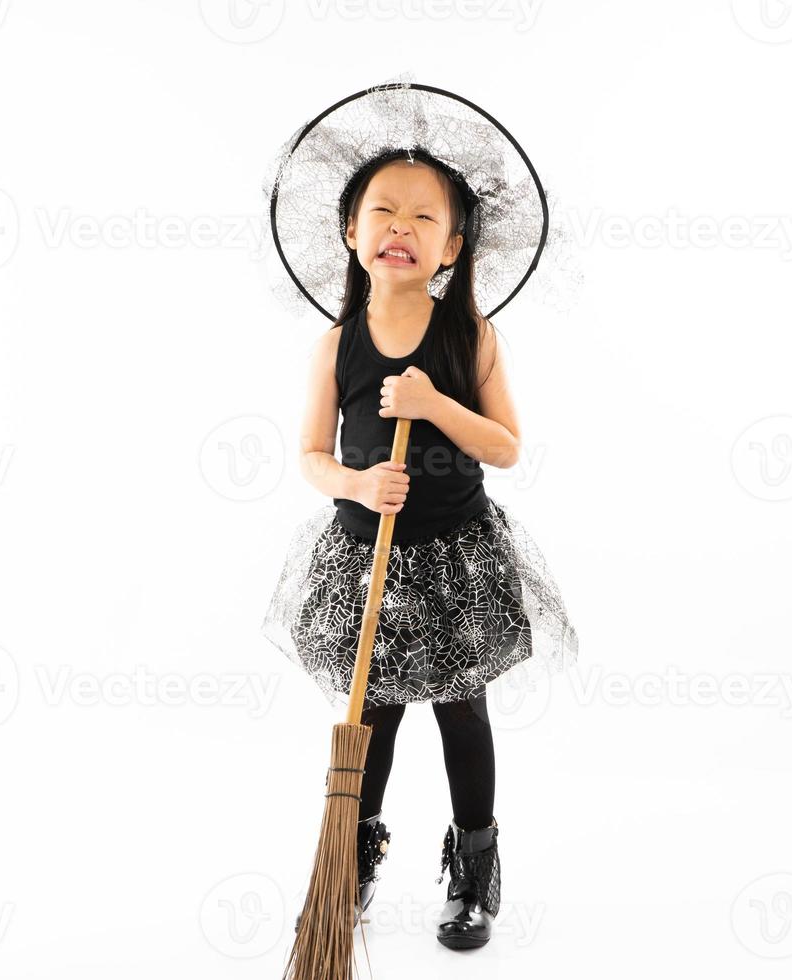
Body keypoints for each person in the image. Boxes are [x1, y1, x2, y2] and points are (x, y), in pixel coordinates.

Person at [262, 130, 580, 950]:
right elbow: (307, 455)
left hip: (454, 554)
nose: (399, 226)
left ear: (452, 244)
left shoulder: (467, 336)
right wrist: (358, 484)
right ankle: (351, 859)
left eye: (423, 215)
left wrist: (435, 405)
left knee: (458, 708)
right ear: (349, 230)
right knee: (371, 711)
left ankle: (475, 867)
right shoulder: (338, 344)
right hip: (365, 554)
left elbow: (505, 446)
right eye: (382, 210)